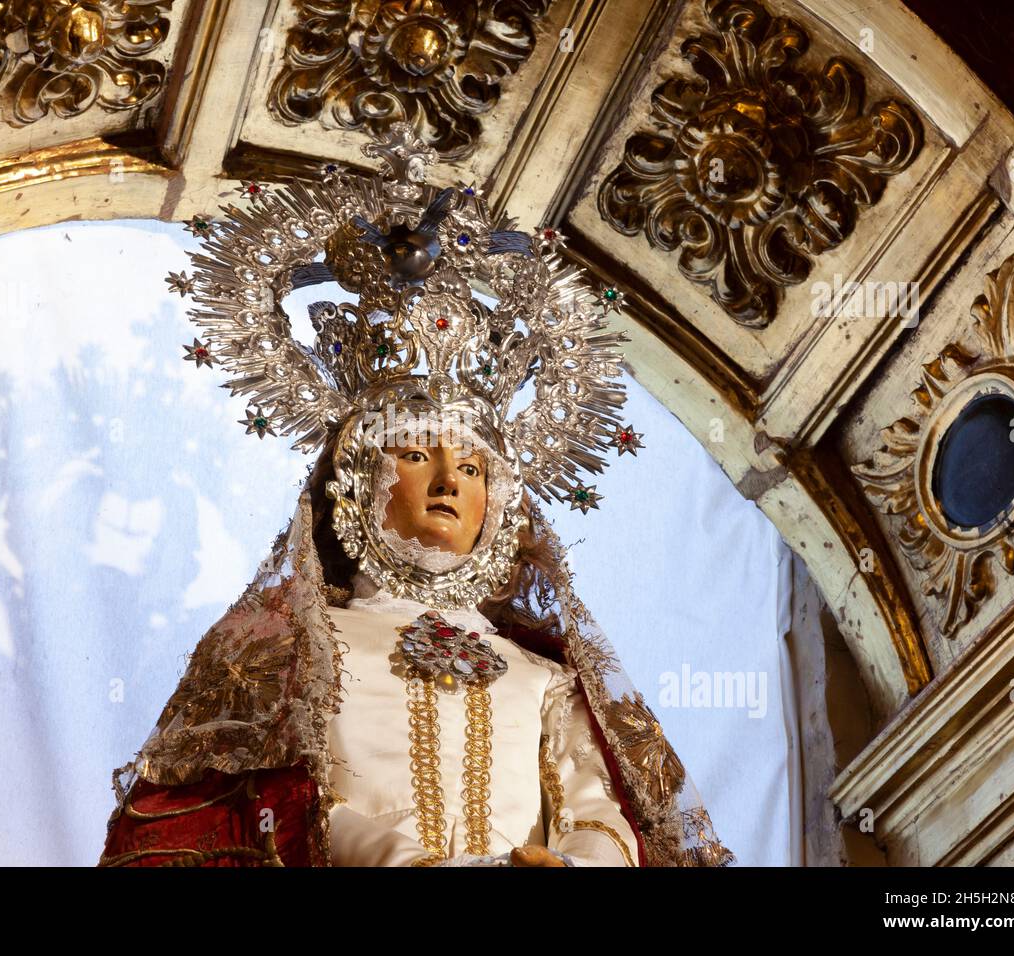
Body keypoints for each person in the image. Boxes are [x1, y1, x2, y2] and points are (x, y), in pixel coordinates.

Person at [97, 122, 734, 868]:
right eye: (414, 453)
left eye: (471, 470)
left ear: (498, 506)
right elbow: (265, 804)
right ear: (358, 480)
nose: (447, 482)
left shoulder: (546, 680)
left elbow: (598, 808)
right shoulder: (292, 648)